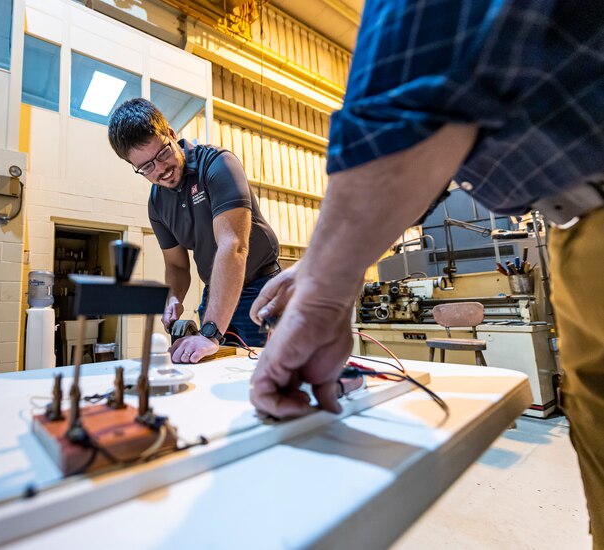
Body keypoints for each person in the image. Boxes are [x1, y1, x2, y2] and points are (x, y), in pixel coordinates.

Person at [248, 0, 604, 544]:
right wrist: (329, 266)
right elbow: (435, 155)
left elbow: (412, 90)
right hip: (573, 227)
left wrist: (325, 289)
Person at [108, 98, 280, 364]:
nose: (160, 170)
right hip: (216, 292)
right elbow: (176, 267)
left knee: (263, 373)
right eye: (146, 167)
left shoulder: (217, 164)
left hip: (261, 288)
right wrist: (174, 298)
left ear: (172, 135)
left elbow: (233, 246)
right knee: (212, 368)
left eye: (162, 154)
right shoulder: (157, 204)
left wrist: (210, 331)